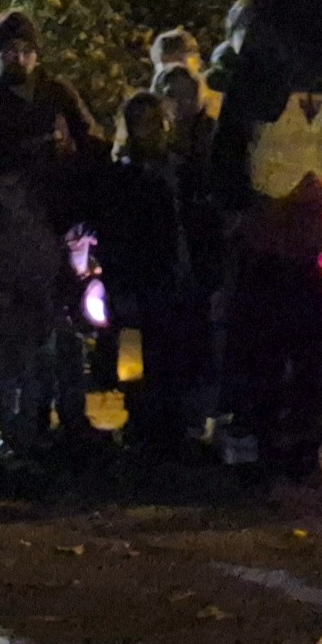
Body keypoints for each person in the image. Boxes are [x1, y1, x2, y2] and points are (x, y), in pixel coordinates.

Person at [0, 10, 107, 454]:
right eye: (11, 51)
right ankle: (29, 424)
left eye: (27, 50)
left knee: (66, 327)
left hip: (57, 222)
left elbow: (91, 141)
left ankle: (72, 417)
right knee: (25, 332)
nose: (19, 59)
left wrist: (80, 180)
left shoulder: (55, 92)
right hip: (9, 225)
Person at [211, 44, 322, 485]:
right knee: (264, 343)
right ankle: (264, 442)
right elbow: (228, 152)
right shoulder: (256, 82)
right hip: (268, 226)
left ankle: (303, 444)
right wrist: (239, 212)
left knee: (317, 343)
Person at [94, 91, 209, 457]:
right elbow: (115, 235)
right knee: (138, 360)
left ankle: (174, 429)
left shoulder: (181, 170)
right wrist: (118, 285)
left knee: (176, 354)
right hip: (142, 280)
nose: (153, 130)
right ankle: (143, 428)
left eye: (157, 121)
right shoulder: (122, 176)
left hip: (179, 276)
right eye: (143, 123)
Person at [0, 167, 65, 461]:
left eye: (14, 189)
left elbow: (47, 266)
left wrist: (28, 292)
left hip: (28, 314)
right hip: (1, 316)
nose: (8, 196)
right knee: (6, 379)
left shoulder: (36, 229)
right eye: (3, 190)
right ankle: (10, 436)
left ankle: (27, 436)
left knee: (29, 377)